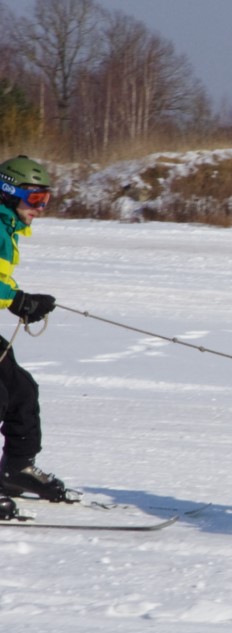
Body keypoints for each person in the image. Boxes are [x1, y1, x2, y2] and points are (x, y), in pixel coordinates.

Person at [0, 155, 67, 520]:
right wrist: (16, 300)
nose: (40, 208)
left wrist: (19, 301)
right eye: (35, 199)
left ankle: (16, 470)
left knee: (21, 390)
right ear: (8, 192)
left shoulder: (6, 227)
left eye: (46, 200)